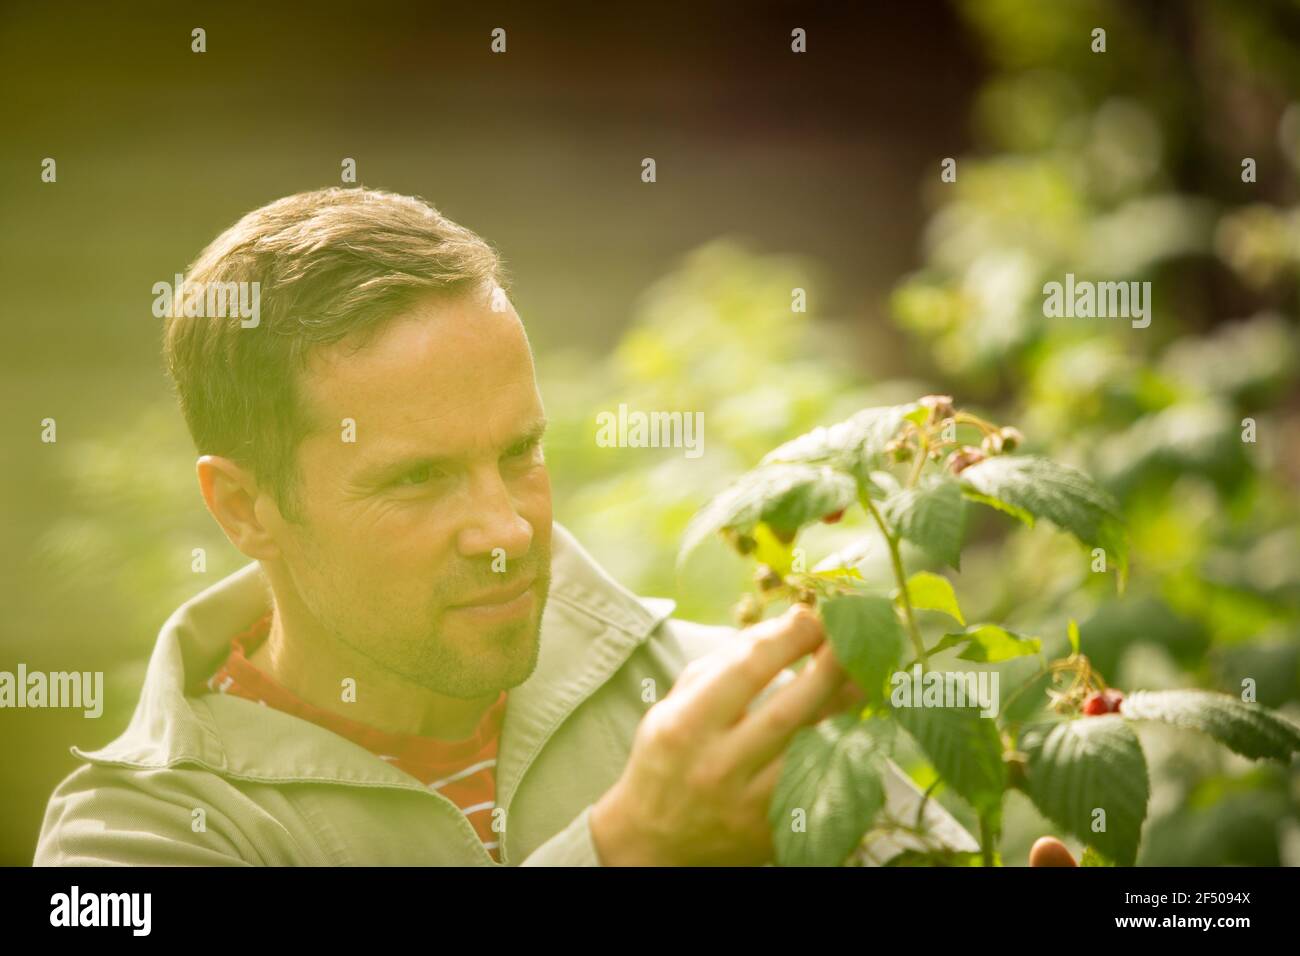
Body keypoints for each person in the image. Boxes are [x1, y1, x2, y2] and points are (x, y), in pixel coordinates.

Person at [33, 187, 1061, 866]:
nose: (503, 528)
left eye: (518, 453)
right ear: (245, 507)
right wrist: (625, 851)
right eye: (418, 477)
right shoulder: (138, 832)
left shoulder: (719, 709)